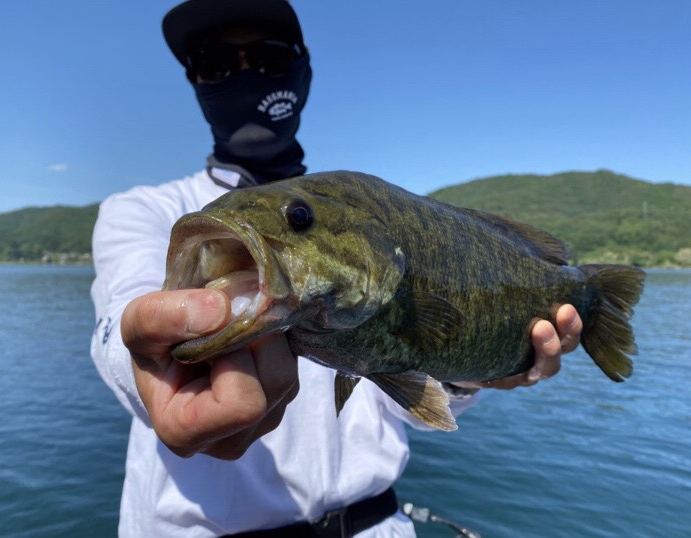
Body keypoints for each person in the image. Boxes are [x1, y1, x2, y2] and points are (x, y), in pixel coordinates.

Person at [90, 1, 584, 536]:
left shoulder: (378, 219)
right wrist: (145, 363)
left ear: (301, 72)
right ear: (195, 81)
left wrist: (480, 369)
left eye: (268, 56)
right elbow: (121, 321)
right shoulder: (142, 211)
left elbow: (409, 398)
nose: (244, 74)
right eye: (216, 62)